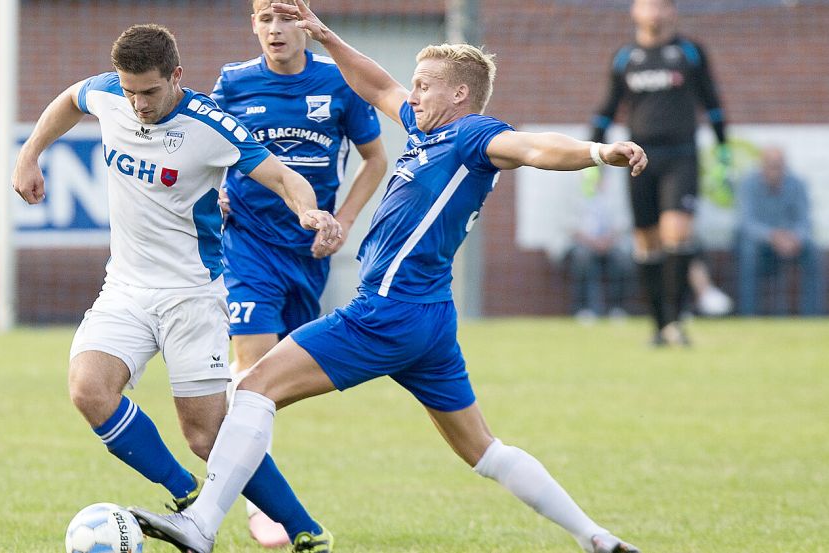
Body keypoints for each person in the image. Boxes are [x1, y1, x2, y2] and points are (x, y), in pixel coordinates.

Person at [130, 3, 646, 553]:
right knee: (484, 451)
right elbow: (377, 86)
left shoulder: (473, 136)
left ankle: (202, 523)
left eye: (424, 87)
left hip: (387, 311)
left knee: (253, 387)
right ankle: (598, 538)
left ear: (460, 97)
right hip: (429, 319)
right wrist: (326, 37)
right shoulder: (425, 132)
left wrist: (597, 151)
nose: (413, 94)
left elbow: (534, 147)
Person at [11, 23, 341, 551]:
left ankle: (306, 530)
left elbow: (282, 177)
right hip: (125, 287)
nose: (137, 103)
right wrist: (29, 154)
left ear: (176, 76)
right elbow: (70, 100)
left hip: (192, 297)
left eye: (149, 91)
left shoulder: (212, 125)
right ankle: (186, 495)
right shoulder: (110, 94)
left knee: (207, 438)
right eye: (129, 91)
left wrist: (311, 212)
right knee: (88, 390)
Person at [210, 0, 387, 545]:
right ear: (253, 26)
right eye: (264, 18)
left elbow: (375, 158)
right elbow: (204, 143)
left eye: (286, 17)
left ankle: (233, 453)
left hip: (308, 253)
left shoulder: (338, 85)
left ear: (307, 24)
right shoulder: (233, 83)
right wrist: (213, 187)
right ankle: (255, 499)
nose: (275, 29)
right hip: (247, 246)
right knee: (252, 368)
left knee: (269, 382)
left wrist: (344, 219)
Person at [589, 0, 728, 346]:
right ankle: (659, 324)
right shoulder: (624, 58)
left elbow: (712, 104)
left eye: (662, 5)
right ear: (635, 11)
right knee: (646, 243)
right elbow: (606, 110)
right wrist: (592, 157)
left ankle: (677, 321)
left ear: (673, 12)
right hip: (639, 159)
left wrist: (724, 151)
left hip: (681, 156)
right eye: (647, 4)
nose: (654, 11)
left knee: (677, 233)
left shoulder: (690, 53)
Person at [736, 147, 824, 316]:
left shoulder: (798, 184)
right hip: (760, 242)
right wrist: (773, 236)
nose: (775, 171)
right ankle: (748, 315)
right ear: (762, 166)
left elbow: (805, 221)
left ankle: (812, 315)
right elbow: (747, 223)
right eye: (771, 165)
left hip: (791, 241)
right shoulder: (748, 184)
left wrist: (794, 238)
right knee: (748, 251)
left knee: (812, 251)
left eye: (779, 165)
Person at [567, 174, 632, 322]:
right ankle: (586, 309)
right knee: (583, 258)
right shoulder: (576, 197)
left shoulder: (613, 199)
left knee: (622, 260)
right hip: (584, 244)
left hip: (609, 244)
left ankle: (617, 308)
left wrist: (606, 240)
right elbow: (571, 227)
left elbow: (622, 224)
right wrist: (593, 242)